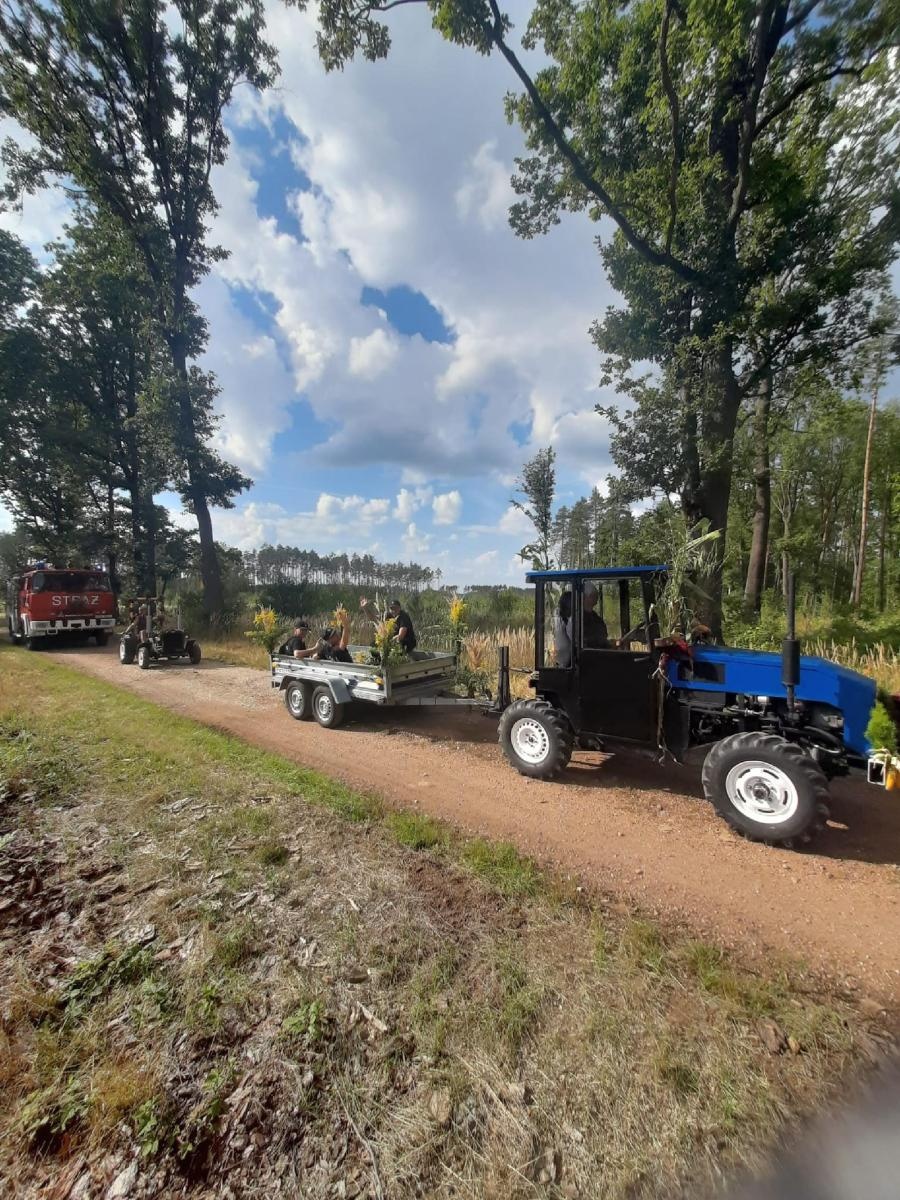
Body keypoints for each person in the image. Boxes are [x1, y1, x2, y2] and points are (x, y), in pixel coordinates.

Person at [581, 583, 612, 648]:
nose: (597, 596)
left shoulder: (595, 616)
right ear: (586, 597)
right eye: (593, 594)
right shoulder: (580, 617)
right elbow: (587, 640)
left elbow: (603, 634)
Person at [553, 590, 573, 667]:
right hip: (567, 662)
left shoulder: (558, 617)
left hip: (560, 660)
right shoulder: (569, 621)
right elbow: (575, 641)